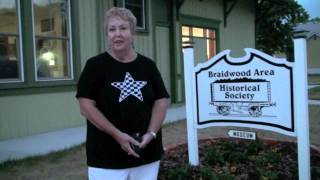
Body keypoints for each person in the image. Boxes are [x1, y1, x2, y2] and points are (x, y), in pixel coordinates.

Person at [76, 7, 170, 180]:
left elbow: (161, 100)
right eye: (112, 29)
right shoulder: (95, 66)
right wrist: (118, 135)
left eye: (123, 28)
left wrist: (151, 134)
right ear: (107, 34)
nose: (117, 34)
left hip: (146, 153)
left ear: (133, 32)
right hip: (106, 158)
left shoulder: (148, 66)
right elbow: (86, 107)